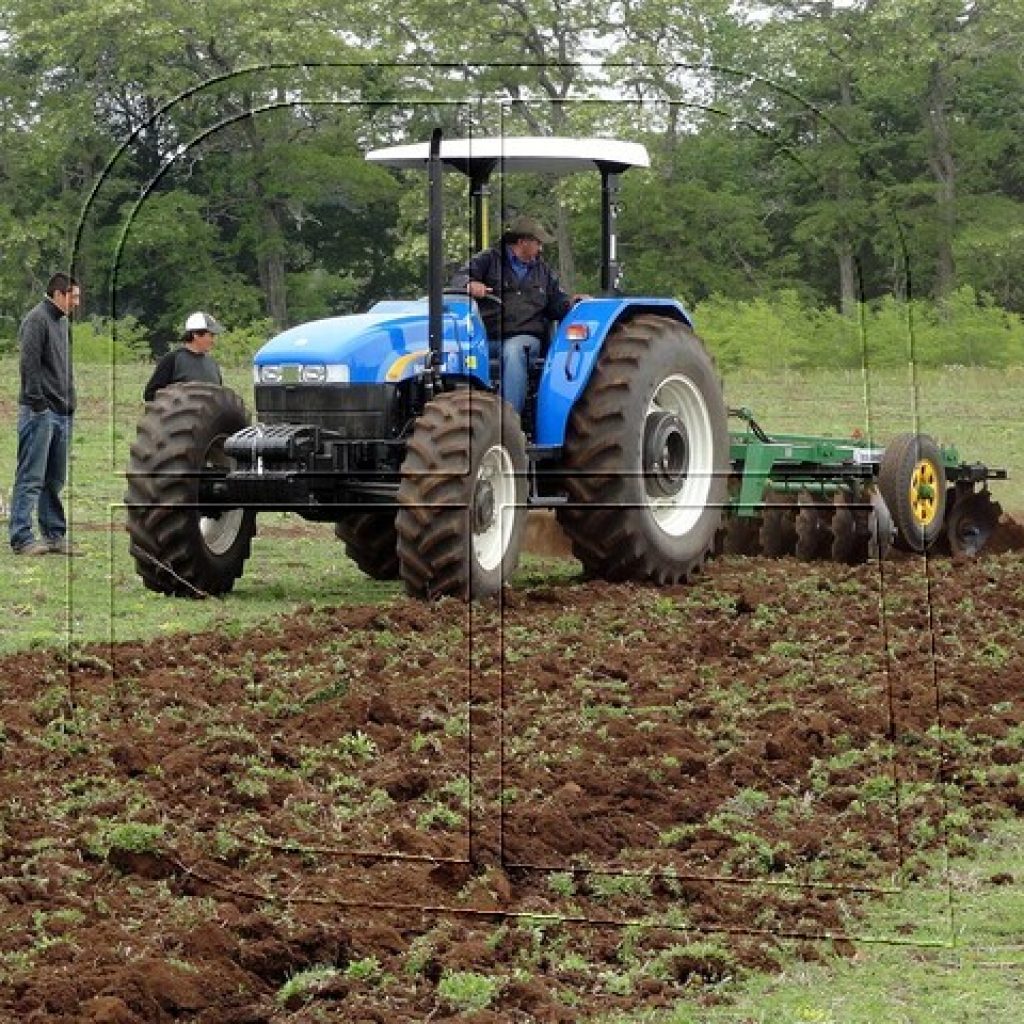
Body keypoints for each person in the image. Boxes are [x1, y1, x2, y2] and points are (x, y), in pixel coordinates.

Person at [450, 215, 585, 414]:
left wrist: (571, 303)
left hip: (525, 337)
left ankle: (509, 417)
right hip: (487, 337)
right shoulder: (488, 260)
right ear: (523, 242)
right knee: (456, 354)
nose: (541, 248)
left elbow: (556, 303)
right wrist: (469, 284)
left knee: (513, 352)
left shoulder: (544, 272)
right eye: (538, 243)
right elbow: (459, 278)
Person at [9, 272, 81, 556]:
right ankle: (21, 537)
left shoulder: (62, 323)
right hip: (39, 412)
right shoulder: (36, 320)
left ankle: (53, 535)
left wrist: (70, 401)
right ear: (59, 294)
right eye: (74, 297)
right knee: (31, 476)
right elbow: (29, 364)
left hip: (62, 412)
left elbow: (65, 367)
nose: (77, 303)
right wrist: (38, 404)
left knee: (54, 479)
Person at [143, 311, 225, 402]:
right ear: (196, 334)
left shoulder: (212, 363)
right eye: (211, 335)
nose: (213, 341)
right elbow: (150, 395)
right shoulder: (172, 359)